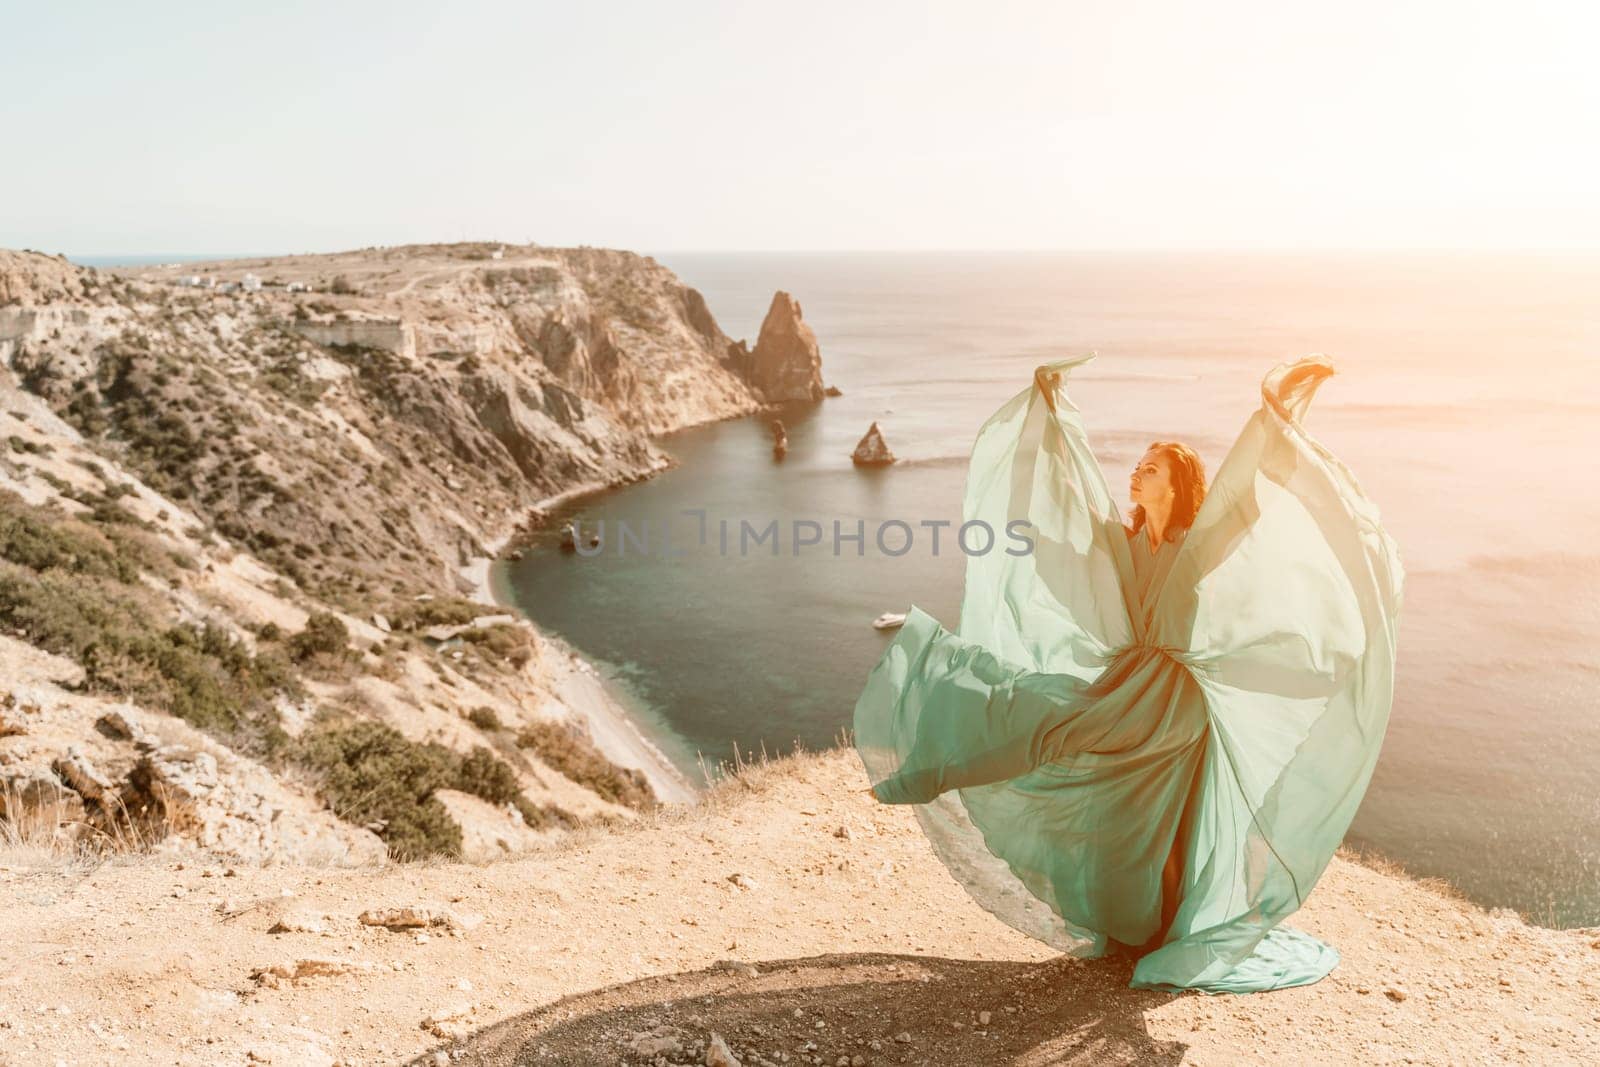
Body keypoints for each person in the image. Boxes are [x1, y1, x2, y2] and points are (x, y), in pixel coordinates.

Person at [852, 353, 1404, 994]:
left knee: (1162, 820)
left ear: (1177, 486)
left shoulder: (1200, 544)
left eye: (1149, 470)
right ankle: (933, 754)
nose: (1135, 476)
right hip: (1126, 687)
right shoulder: (1120, 542)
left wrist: (1277, 414)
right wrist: (1052, 412)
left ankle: (1159, 933)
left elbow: (1250, 496)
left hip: (1175, 701)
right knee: (1048, 727)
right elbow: (1060, 494)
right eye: (1137, 468)